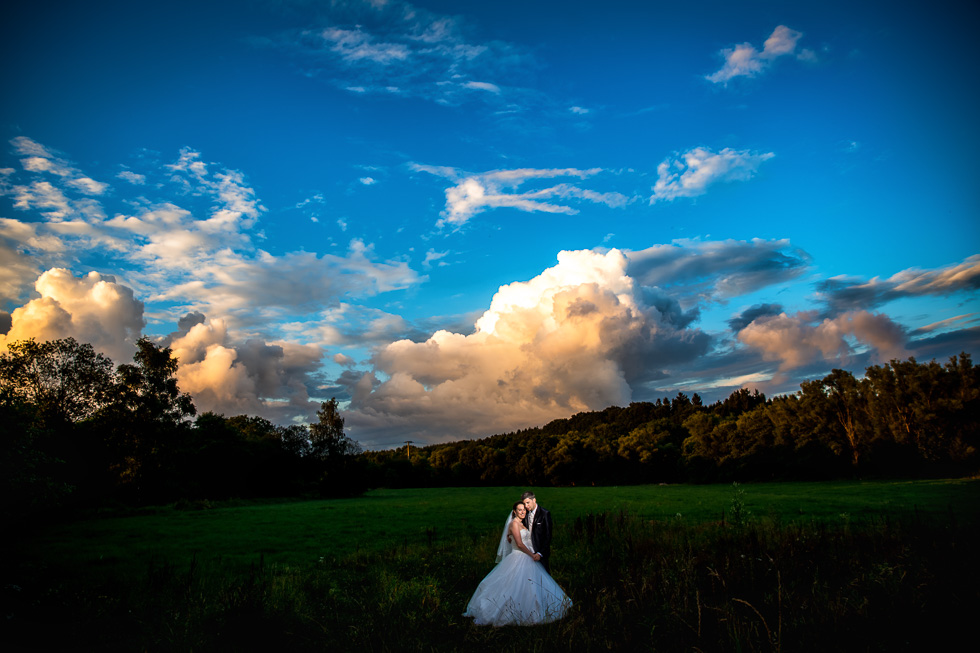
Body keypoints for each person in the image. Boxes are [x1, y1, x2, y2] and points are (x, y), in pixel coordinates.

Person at [463, 501, 572, 626]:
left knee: (532, 585)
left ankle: (534, 608)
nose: (522, 512)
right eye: (519, 510)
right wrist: (532, 555)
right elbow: (519, 544)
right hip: (519, 556)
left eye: (524, 510)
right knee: (513, 585)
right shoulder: (514, 524)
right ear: (514, 511)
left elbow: (515, 538)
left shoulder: (521, 524)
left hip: (526, 557)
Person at [522, 491, 553, 573]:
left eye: (528, 503)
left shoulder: (545, 514)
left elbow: (548, 536)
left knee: (543, 577)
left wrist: (540, 553)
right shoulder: (525, 514)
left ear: (534, 500)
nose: (526, 506)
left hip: (540, 552)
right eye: (524, 504)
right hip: (528, 552)